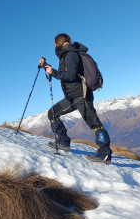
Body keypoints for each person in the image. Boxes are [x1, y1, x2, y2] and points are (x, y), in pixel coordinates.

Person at [39, 33, 112, 163]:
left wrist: (54, 72)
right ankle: (63, 142)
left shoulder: (71, 55)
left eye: (54, 44)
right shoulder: (66, 55)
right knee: (53, 113)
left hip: (81, 96)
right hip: (72, 97)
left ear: (57, 44)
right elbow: (66, 73)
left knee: (95, 124)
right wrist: (47, 66)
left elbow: (71, 75)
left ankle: (105, 154)